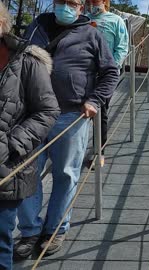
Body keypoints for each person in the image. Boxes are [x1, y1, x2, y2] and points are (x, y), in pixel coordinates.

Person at [14, 0, 118, 258]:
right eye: (62, 1)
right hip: (31, 114)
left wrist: (94, 101)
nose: (66, 7)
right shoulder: (36, 27)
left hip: (71, 116)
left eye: (72, 3)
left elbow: (110, 72)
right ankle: (29, 231)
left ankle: (55, 230)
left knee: (66, 175)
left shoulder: (92, 34)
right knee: (25, 173)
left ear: (81, 8)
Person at [0, 2, 60, 269]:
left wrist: (13, 143)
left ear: (2, 24)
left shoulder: (27, 60)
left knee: (0, 241)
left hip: (5, 167)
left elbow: (48, 110)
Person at [86, 0, 129, 166]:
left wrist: (110, 68)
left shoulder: (116, 20)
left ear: (104, 2)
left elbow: (122, 47)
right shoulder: (83, 19)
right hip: (83, 73)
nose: (91, 3)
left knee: (100, 112)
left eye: (95, 0)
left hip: (105, 74)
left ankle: (99, 153)